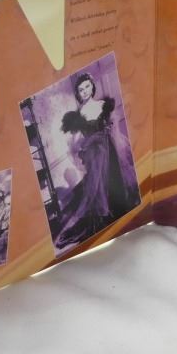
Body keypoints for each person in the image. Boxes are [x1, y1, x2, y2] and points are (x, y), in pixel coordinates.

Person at [53, 73, 138, 250]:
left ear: (92, 86)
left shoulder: (102, 105)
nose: (85, 91)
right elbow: (75, 140)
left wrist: (109, 129)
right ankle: (107, 214)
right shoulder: (79, 114)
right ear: (78, 93)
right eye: (81, 89)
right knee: (99, 185)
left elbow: (112, 124)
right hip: (95, 154)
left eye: (87, 86)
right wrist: (84, 149)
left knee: (116, 177)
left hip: (111, 148)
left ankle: (119, 206)